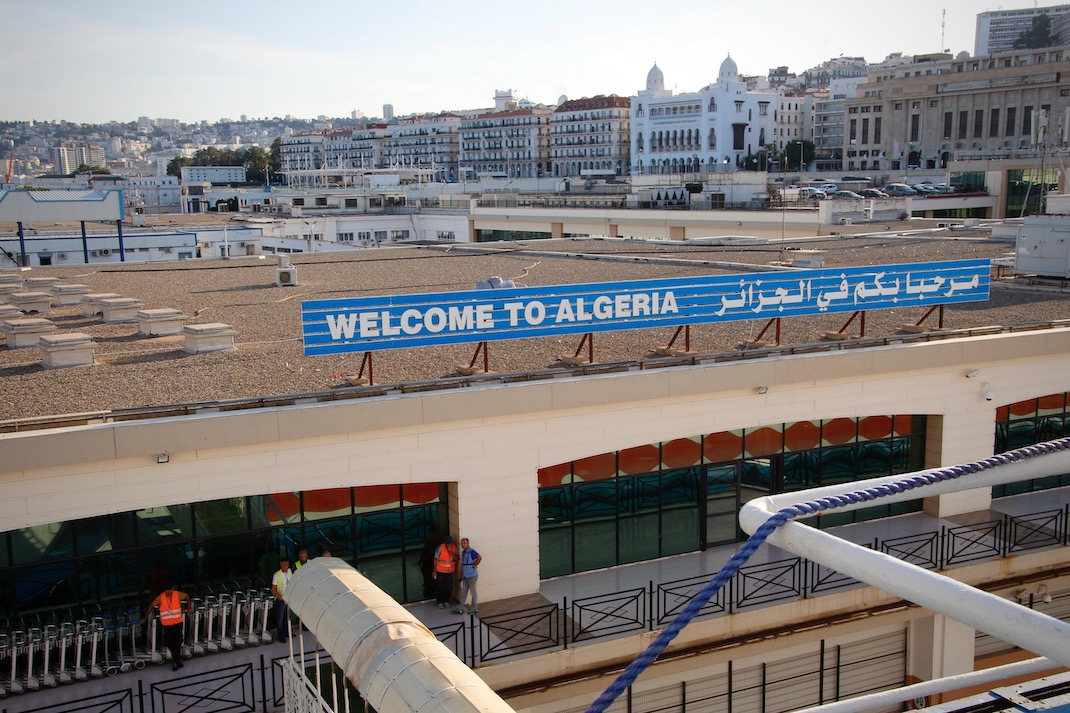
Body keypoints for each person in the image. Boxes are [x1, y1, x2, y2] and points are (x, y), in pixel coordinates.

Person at [143, 580, 190, 671]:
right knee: (171, 643)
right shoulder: (160, 598)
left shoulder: (177, 594)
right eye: (166, 590)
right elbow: (151, 606)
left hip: (177, 623)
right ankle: (176, 660)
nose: (168, 592)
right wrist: (145, 617)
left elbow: (187, 596)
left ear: (173, 589)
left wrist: (189, 607)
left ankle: (176, 661)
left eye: (169, 590)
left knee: (178, 642)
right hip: (167, 625)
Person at [454, 538, 482, 615]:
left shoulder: (471, 551)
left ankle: (474, 607)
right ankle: (460, 607)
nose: (463, 545)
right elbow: (462, 564)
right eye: (462, 543)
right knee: (463, 592)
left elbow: (479, 557)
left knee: (473, 592)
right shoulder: (463, 552)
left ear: (468, 544)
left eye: (464, 543)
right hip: (465, 576)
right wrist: (460, 575)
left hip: (472, 575)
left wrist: (475, 564)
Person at [433, 535, 458, 609]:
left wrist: (450, 551)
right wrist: (434, 571)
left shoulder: (454, 547)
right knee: (440, 587)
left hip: (449, 572)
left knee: (449, 587)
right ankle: (440, 601)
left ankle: (446, 600)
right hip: (440, 571)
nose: (449, 545)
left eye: (450, 543)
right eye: (447, 544)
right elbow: (435, 559)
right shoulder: (440, 547)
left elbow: (456, 558)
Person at [271, 557, 293, 642]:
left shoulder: (290, 571)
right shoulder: (277, 575)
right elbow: (273, 589)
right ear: (280, 565)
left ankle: (287, 632)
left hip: (288, 598)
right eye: (284, 565)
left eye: (287, 565)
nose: (286, 566)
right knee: (280, 618)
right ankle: (281, 635)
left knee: (287, 617)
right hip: (281, 599)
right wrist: (280, 598)